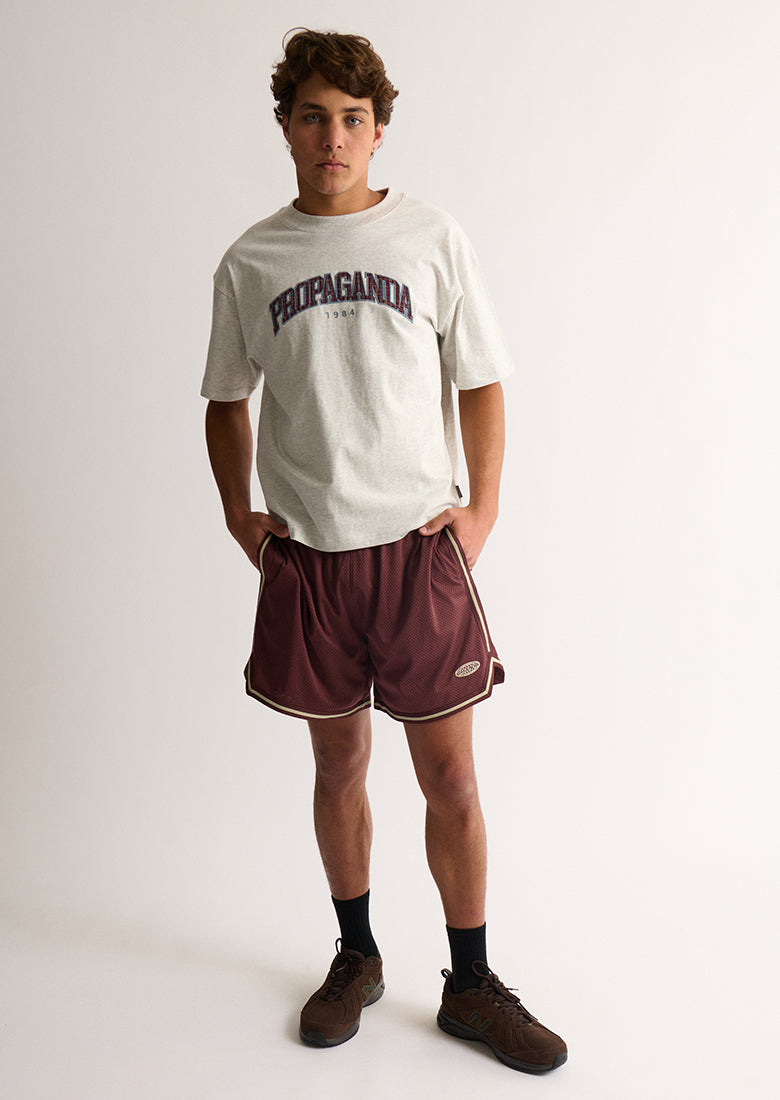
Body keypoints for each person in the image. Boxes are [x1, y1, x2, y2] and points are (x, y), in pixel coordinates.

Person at [201, 28, 567, 1074]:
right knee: (340, 763)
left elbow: (481, 379)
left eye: (352, 119)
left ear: (377, 131)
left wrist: (481, 511)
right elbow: (225, 400)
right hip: (312, 559)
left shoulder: (430, 238)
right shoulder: (251, 261)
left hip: (418, 552)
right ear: (286, 127)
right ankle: (357, 955)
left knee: (450, 776)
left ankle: (471, 981)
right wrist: (239, 514)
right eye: (313, 116)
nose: (333, 137)